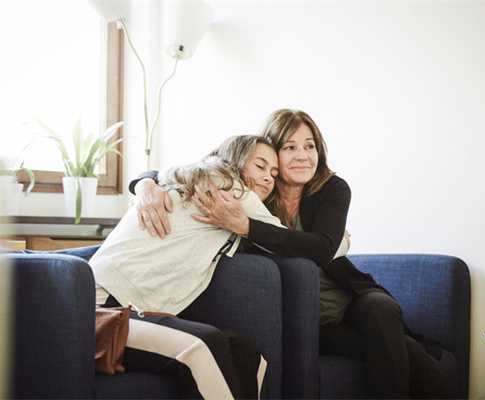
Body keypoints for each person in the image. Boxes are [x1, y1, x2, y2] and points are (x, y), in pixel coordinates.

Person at [131, 109, 449, 399]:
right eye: (290, 147)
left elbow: (322, 248)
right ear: (271, 151)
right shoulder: (253, 191)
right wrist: (144, 184)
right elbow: (197, 167)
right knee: (399, 347)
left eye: (310, 146)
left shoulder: (333, 189)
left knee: (382, 310)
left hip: (349, 298)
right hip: (309, 317)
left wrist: (247, 228)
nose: (303, 156)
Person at [89, 135, 284, 400]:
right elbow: (290, 241)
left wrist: (144, 182)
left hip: (127, 310)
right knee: (201, 347)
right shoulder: (233, 191)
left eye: (274, 173)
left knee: (245, 352)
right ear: (236, 161)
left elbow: (152, 174)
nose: (268, 178)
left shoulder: (183, 178)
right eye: (260, 166)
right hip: (101, 312)